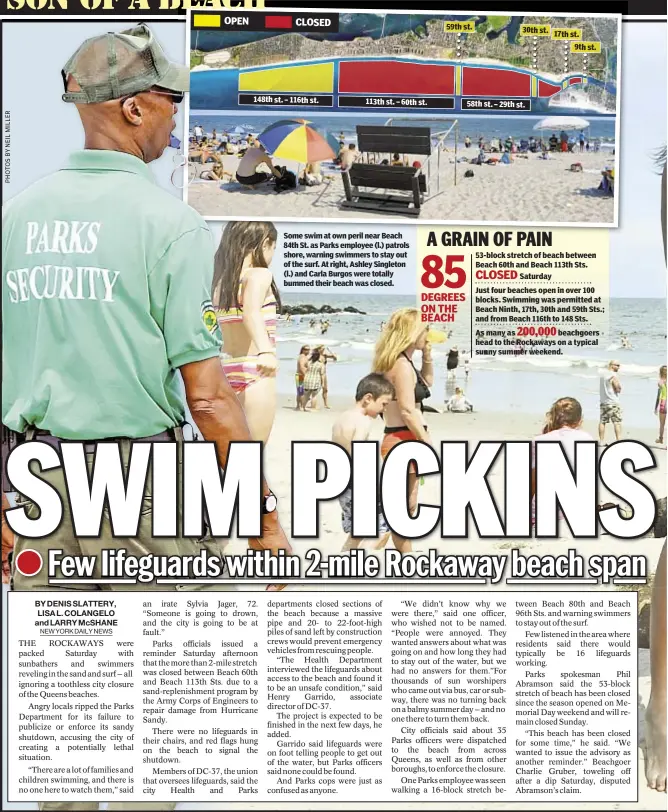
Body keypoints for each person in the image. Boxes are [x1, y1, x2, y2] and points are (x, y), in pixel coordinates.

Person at [2, 24, 290, 812]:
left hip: (38, 489)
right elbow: (206, 397)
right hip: (143, 494)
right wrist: (263, 517)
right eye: (169, 102)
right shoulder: (169, 224)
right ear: (132, 110)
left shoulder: (15, 220)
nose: (176, 120)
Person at [213, 221, 280, 444]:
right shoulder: (259, 275)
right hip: (255, 371)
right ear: (263, 244)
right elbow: (250, 312)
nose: (272, 255)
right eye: (273, 248)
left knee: (226, 459)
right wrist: (266, 351)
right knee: (253, 457)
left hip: (222, 371)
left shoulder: (219, 283)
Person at [372, 309, 433, 554]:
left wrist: (427, 356)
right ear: (411, 332)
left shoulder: (399, 361)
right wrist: (426, 441)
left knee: (404, 508)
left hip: (398, 437)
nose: (428, 334)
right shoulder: (401, 365)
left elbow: (426, 384)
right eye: (424, 329)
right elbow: (408, 410)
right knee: (402, 510)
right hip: (404, 438)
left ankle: (407, 559)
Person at [332, 374, 395, 551]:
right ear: (368, 398)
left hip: (343, 485)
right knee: (383, 529)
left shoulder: (342, 418)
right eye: (383, 404)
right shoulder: (363, 421)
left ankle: (342, 562)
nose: (383, 410)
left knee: (357, 531)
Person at [599, 359, 623, 443]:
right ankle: (618, 440)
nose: (619, 367)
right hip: (613, 401)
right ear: (612, 365)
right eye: (617, 365)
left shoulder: (603, 375)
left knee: (602, 422)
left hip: (604, 401)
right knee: (617, 422)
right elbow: (617, 388)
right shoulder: (613, 375)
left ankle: (601, 441)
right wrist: (619, 387)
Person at [314, 345, 337, 409]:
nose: (323, 350)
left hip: (324, 374)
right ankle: (313, 402)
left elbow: (334, 358)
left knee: (325, 389)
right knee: (314, 389)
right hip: (317, 373)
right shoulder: (315, 356)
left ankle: (325, 404)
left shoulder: (325, 355)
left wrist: (334, 356)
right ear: (318, 349)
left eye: (323, 349)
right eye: (322, 348)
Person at [295, 345, 311, 411]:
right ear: (303, 350)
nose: (308, 351)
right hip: (300, 375)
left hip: (299, 375)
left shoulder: (304, 357)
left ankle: (299, 406)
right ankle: (301, 406)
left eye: (309, 349)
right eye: (306, 349)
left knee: (300, 392)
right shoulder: (302, 357)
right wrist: (305, 375)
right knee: (301, 392)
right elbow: (301, 367)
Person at [655, 365, 667, 445]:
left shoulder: (660, 382)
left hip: (663, 403)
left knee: (662, 424)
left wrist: (656, 407)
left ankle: (661, 439)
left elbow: (659, 395)